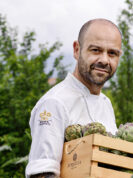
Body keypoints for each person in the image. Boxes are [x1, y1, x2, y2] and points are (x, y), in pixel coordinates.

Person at [25, 19, 122, 178]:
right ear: (77, 50)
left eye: (112, 53)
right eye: (96, 50)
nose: (104, 60)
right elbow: (42, 173)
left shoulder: (106, 103)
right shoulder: (54, 103)